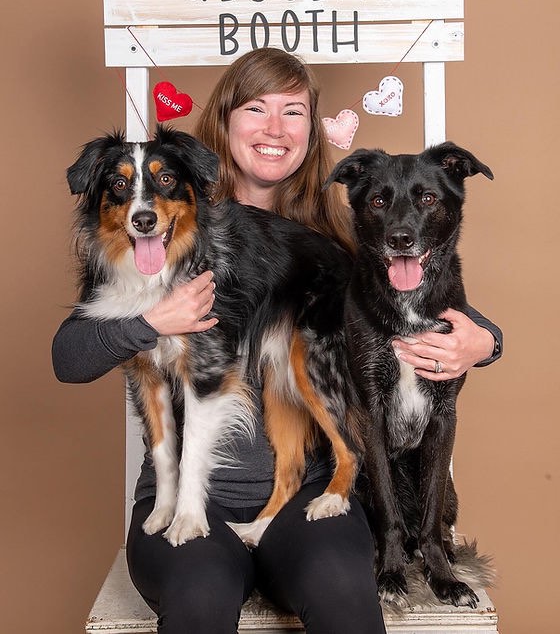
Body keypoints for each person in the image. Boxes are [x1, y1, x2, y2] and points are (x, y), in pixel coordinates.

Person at [52, 48, 502, 634]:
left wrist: (484, 341)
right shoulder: (164, 213)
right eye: (256, 107)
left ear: (311, 131)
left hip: (305, 499)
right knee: (198, 593)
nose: (274, 127)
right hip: (192, 503)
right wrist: (151, 322)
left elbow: (429, 306)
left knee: (343, 588)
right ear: (225, 119)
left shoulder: (343, 231)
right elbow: (69, 355)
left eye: (293, 111)